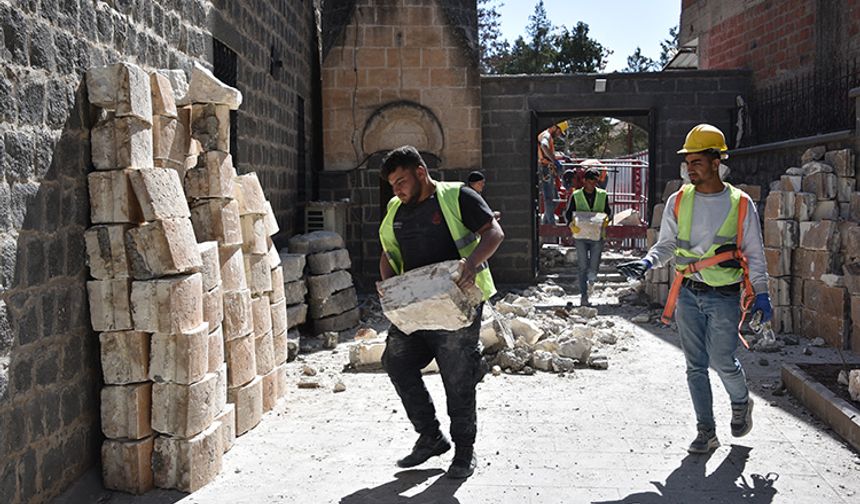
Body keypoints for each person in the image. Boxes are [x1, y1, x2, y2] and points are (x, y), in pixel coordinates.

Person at [617, 124, 772, 454]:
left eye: (697, 161)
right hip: (688, 292)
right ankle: (706, 432)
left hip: (725, 296)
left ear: (716, 162)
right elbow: (667, 245)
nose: (690, 168)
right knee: (695, 365)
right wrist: (646, 263)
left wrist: (762, 293)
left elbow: (755, 253)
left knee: (722, 359)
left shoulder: (740, 203)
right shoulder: (679, 200)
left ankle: (741, 401)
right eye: (688, 162)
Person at [378, 146, 505, 479]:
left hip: (456, 303)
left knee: (458, 376)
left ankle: (464, 452)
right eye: (393, 185)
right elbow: (388, 253)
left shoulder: (457, 196)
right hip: (414, 305)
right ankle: (431, 435)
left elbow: (493, 232)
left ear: (421, 172)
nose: (397, 190)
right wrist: (390, 288)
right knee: (396, 361)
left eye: (402, 181)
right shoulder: (396, 208)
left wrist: (472, 264)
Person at [564, 165, 612, 307]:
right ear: (584, 181)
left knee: (594, 265)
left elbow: (608, 212)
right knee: (583, 266)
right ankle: (584, 295)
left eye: (594, 182)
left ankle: (591, 281)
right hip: (581, 235)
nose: (592, 184)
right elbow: (568, 214)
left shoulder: (603, 195)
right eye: (589, 181)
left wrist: (606, 221)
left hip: (597, 235)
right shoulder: (576, 195)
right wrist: (571, 225)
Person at [537, 121, 568, 225]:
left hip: (549, 169)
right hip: (546, 169)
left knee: (555, 198)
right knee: (549, 197)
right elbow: (544, 146)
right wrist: (554, 160)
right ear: (555, 127)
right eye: (559, 132)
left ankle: (546, 219)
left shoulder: (548, 136)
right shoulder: (546, 135)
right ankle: (550, 223)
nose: (559, 134)